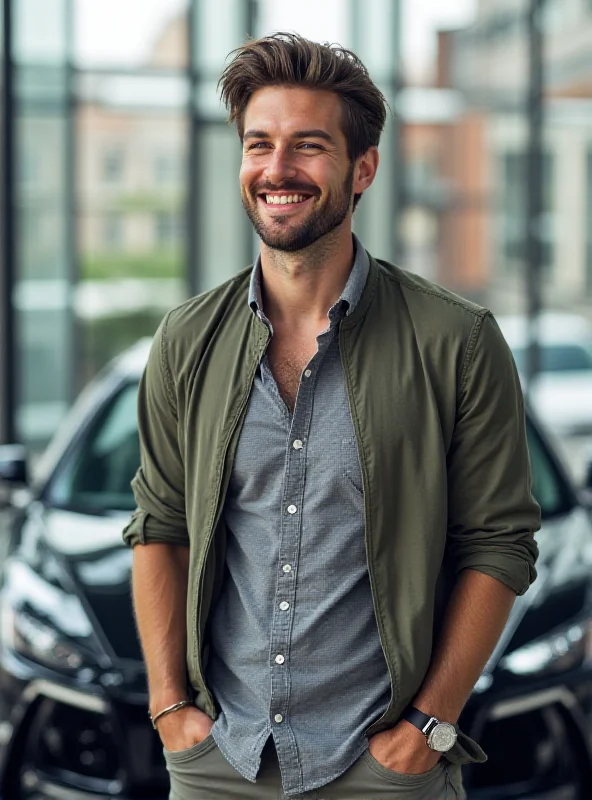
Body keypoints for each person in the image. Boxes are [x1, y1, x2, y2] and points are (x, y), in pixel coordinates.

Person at [123, 32, 540, 800]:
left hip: (383, 768)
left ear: (364, 168)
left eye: (308, 146)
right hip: (221, 761)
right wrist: (169, 707)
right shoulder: (188, 338)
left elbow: (500, 543)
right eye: (259, 145)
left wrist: (427, 726)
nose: (277, 169)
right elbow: (160, 527)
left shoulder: (456, 340)